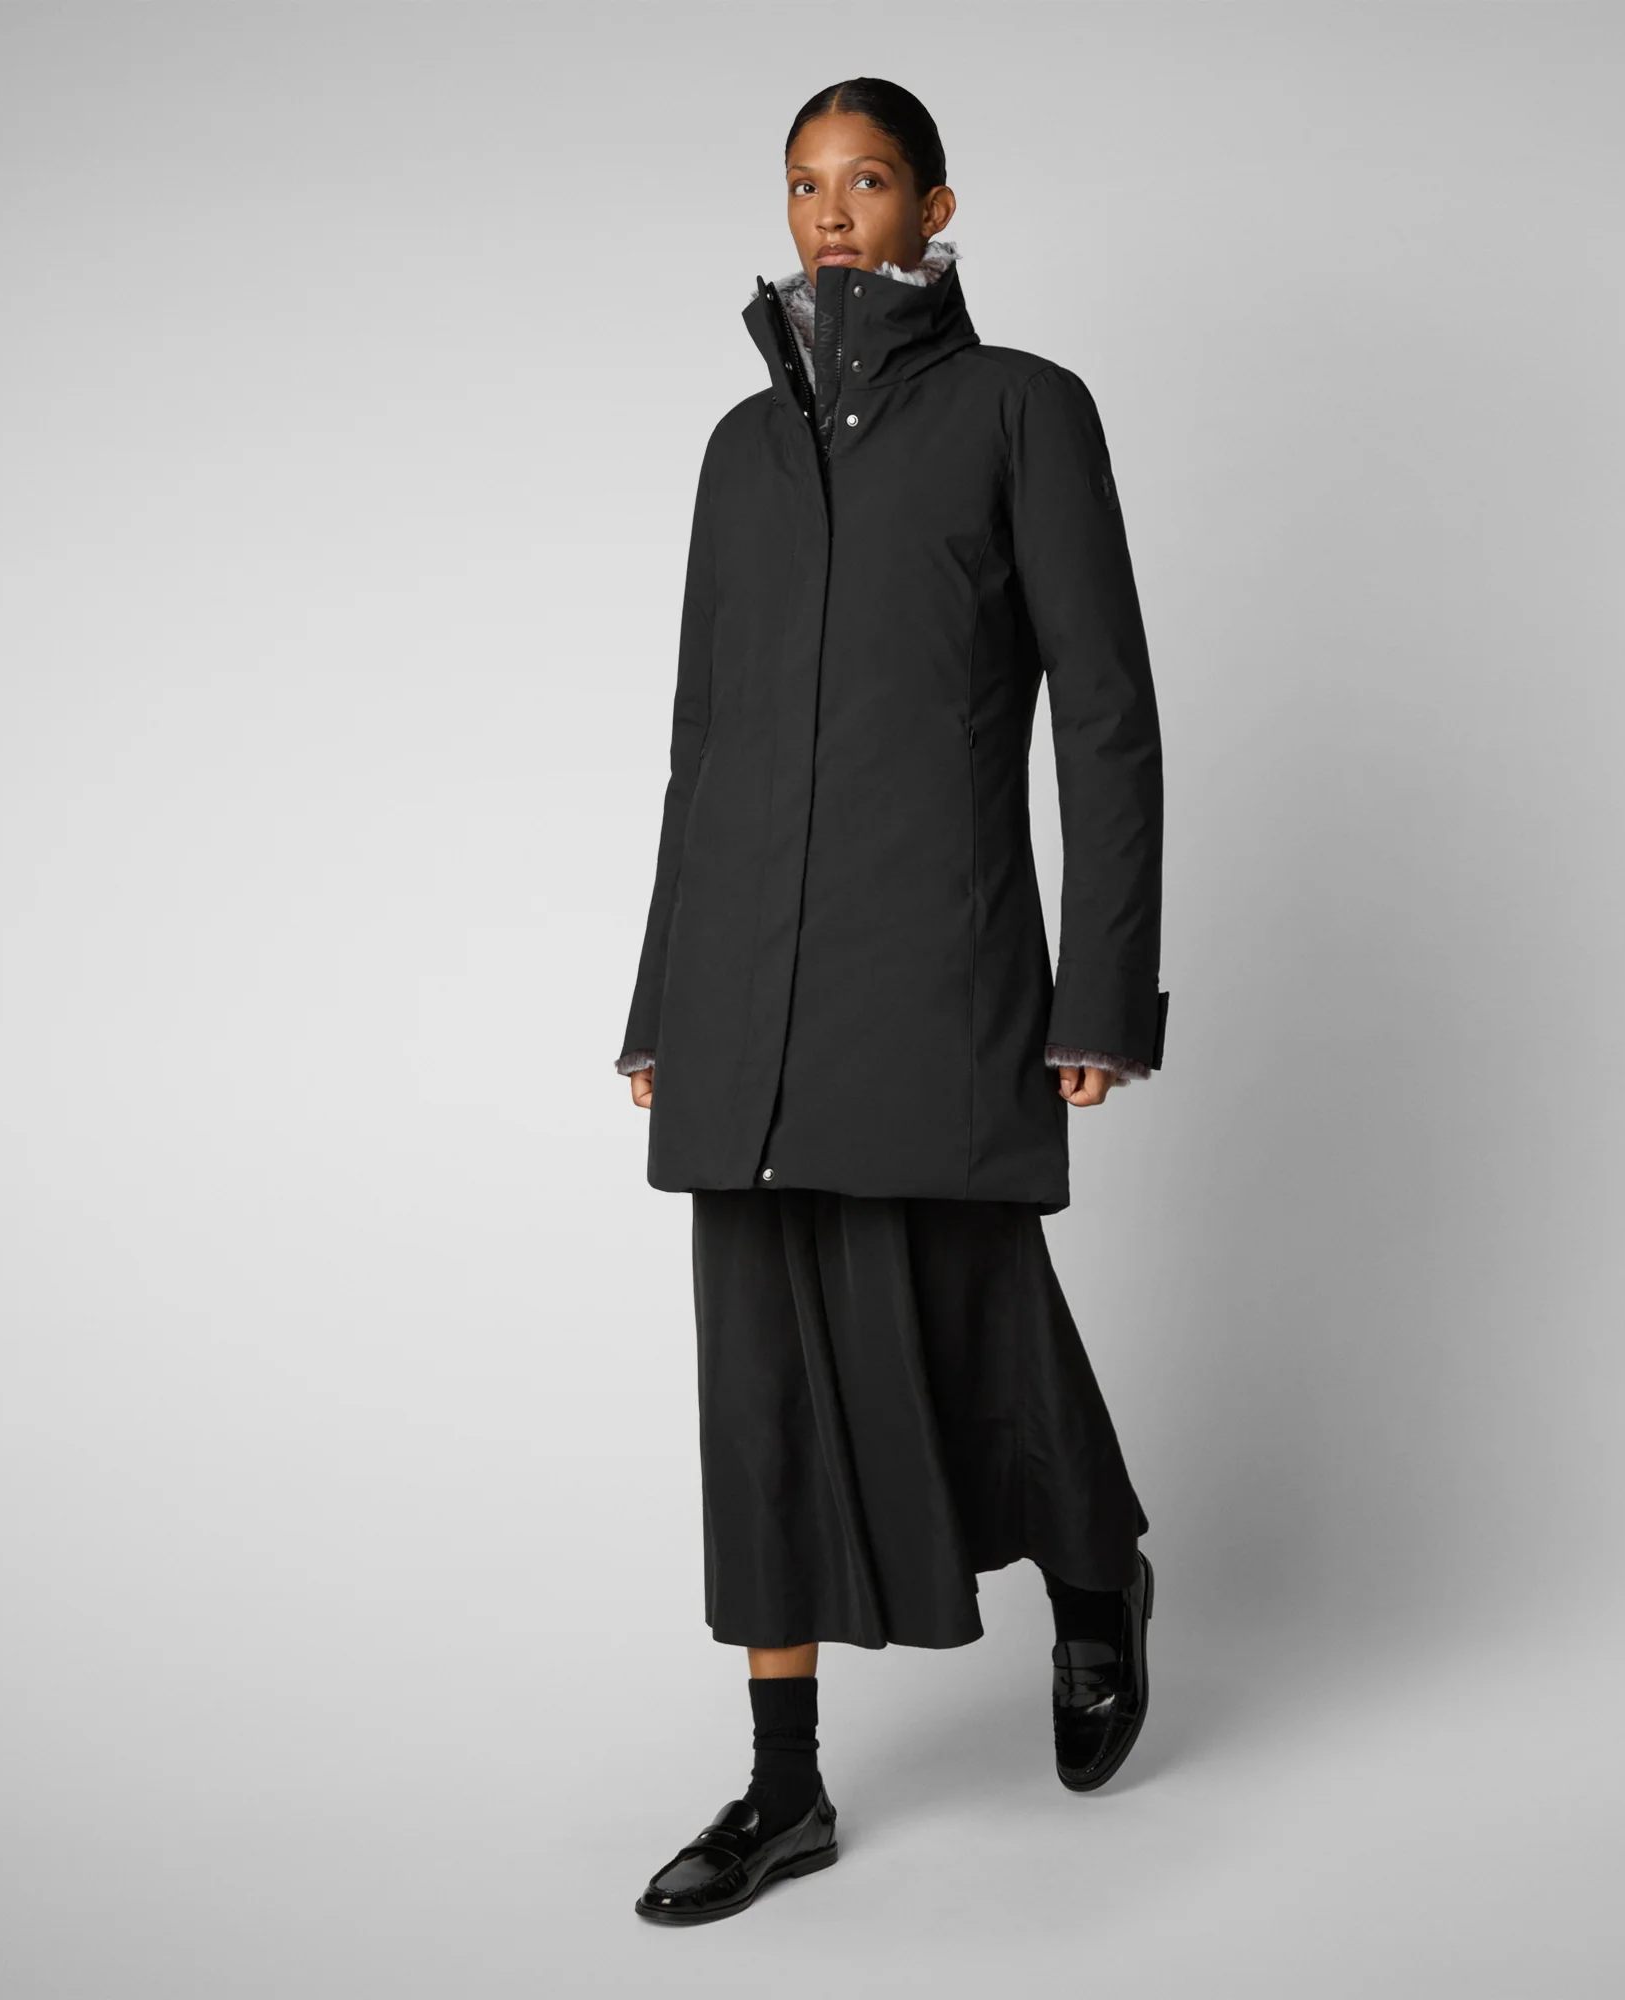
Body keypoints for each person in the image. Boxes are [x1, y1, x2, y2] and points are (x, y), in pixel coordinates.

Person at [613, 76, 1168, 1925]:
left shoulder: (1024, 410)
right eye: (803, 183)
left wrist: (1102, 992)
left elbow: (1104, 712)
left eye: (866, 179)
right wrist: (658, 1001)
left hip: (936, 961)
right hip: (740, 988)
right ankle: (782, 1789)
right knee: (759, 1386)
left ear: (936, 204)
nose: (831, 210)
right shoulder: (736, 452)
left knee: (975, 1310)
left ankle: (1095, 1582)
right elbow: (702, 742)